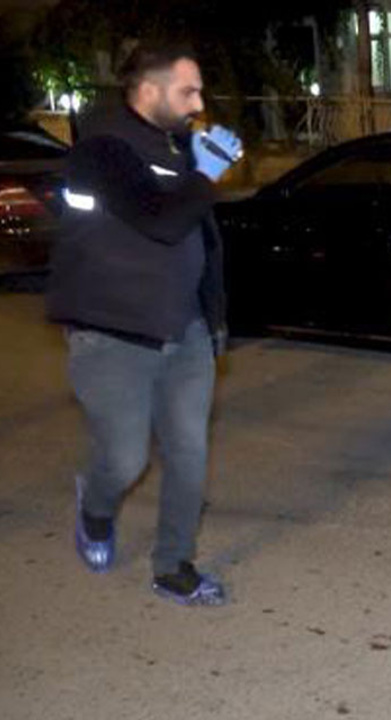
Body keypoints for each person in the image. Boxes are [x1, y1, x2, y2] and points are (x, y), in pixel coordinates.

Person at [46, 43, 242, 606]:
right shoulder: (101, 151)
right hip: (111, 334)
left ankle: (173, 564)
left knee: (189, 454)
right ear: (149, 92)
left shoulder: (179, 147)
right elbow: (159, 221)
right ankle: (97, 507)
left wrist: (215, 317)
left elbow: (203, 238)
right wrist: (204, 175)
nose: (199, 103)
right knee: (126, 457)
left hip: (185, 331)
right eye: (189, 91)